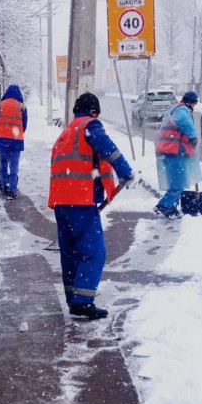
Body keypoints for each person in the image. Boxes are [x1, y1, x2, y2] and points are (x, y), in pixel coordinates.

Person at [49, 93, 135, 320]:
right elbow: (107, 147)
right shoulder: (90, 125)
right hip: (80, 200)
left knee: (70, 253)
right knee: (93, 252)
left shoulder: (66, 132)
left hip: (61, 201)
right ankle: (83, 301)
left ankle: (73, 298)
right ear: (94, 112)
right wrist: (124, 171)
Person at [153, 91, 199, 219]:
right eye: (194, 102)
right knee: (178, 183)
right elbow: (183, 121)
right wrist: (192, 136)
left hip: (172, 150)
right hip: (173, 151)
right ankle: (165, 206)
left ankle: (169, 205)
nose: (195, 106)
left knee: (177, 182)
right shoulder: (182, 110)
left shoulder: (177, 109)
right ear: (190, 102)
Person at [0, 84, 28, 199]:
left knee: (3, 163)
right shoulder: (21, 107)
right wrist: (17, 132)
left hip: (1, 139)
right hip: (15, 140)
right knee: (14, 166)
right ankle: (12, 190)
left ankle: (2, 185)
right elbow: (24, 124)